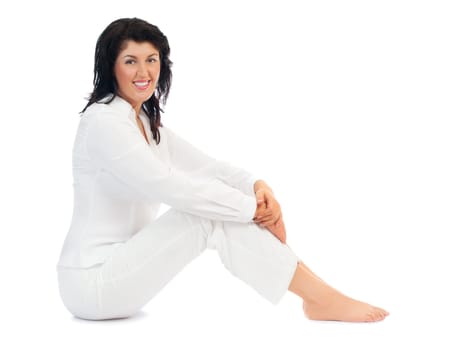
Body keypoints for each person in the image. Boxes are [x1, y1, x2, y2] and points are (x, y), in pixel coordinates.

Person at [56, 17, 389, 322]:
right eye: (131, 61)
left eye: (151, 60)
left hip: (123, 275)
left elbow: (204, 166)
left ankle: (320, 298)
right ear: (110, 66)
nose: (143, 73)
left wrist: (258, 187)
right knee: (205, 213)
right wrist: (251, 210)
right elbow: (171, 188)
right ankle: (320, 298)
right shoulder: (104, 123)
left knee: (214, 208)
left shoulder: (141, 119)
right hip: (91, 283)